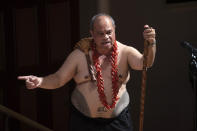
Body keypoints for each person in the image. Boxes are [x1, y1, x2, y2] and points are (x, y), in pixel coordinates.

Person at [18, 13, 156, 131]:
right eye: (100, 34)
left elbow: (145, 63)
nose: (106, 37)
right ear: (92, 34)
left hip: (118, 121)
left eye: (109, 32)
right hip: (83, 121)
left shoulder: (126, 52)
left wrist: (151, 43)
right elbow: (58, 79)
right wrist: (40, 81)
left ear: (114, 30)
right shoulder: (79, 55)